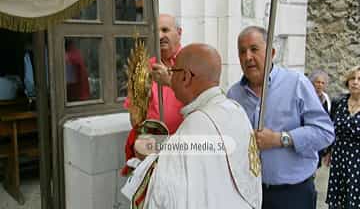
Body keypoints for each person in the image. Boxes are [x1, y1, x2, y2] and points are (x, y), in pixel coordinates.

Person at [123, 43, 262, 209]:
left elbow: (165, 190)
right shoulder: (234, 109)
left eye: (172, 72)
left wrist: (145, 155)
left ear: (185, 77)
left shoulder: (198, 122)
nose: (170, 78)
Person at [227, 26, 334, 209]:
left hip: (292, 194)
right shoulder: (234, 94)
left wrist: (280, 139)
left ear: (272, 52)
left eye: (254, 49)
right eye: (242, 51)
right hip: (250, 194)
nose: (248, 57)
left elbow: (325, 133)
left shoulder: (297, 83)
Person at [122, 14, 184, 174]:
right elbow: (135, 117)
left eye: (165, 30)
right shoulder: (144, 68)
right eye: (157, 31)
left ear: (179, 32)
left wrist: (169, 80)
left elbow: (200, 100)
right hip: (153, 148)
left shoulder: (191, 61)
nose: (161, 36)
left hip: (186, 145)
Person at [326, 66, 360, 209]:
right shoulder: (338, 102)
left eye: (359, 79)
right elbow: (330, 128)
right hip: (339, 156)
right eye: (352, 78)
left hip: (358, 159)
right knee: (338, 200)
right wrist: (328, 151)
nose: (355, 82)